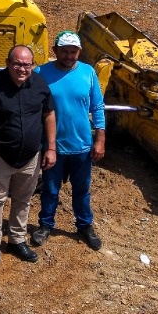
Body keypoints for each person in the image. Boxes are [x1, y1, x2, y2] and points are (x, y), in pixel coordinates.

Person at [0, 45, 55, 267]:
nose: (22, 69)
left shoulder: (39, 84)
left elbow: (48, 114)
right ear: (8, 63)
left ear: (33, 65)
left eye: (27, 65)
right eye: (17, 64)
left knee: (23, 199)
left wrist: (51, 148)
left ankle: (17, 239)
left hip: (30, 156)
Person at [34, 30, 107, 250]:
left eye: (73, 52)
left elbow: (97, 107)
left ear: (79, 52)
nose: (68, 56)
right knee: (50, 189)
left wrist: (100, 140)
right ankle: (46, 225)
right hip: (53, 145)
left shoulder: (88, 72)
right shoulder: (41, 72)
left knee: (82, 189)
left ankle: (84, 225)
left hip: (82, 145)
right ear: (55, 50)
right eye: (64, 51)